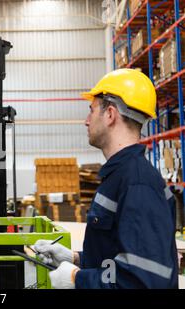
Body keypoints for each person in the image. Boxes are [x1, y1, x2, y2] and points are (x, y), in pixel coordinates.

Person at [34, 68, 178, 289]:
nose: (86, 120)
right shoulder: (120, 177)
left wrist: (76, 278)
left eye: (91, 111)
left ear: (110, 114)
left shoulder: (137, 184)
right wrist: (74, 259)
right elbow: (117, 254)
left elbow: (145, 281)